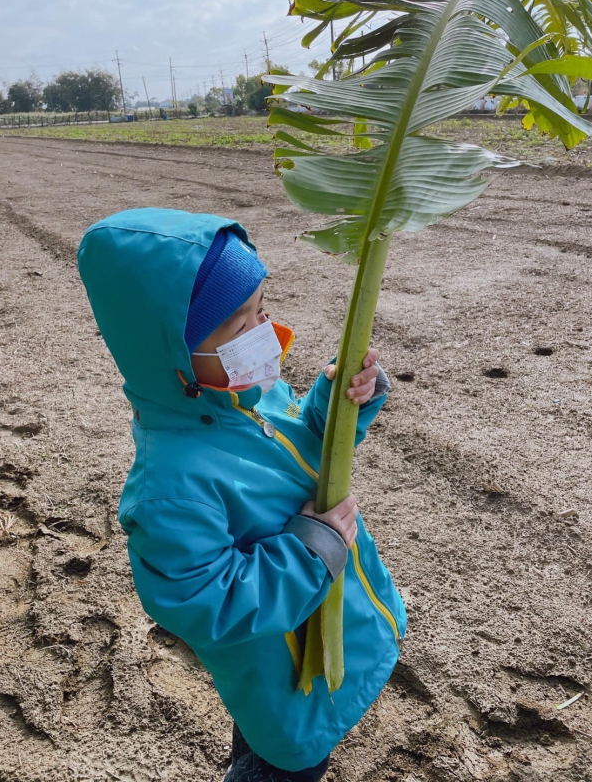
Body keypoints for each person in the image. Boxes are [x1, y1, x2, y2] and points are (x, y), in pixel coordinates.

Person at [78, 208, 407, 781]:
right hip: (281, 676)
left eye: (262, 309)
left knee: (259, 741)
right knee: (282, 762)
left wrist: (339, 404)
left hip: (333, 627)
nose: (263, 332)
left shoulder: (244, 395)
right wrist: (310, 553)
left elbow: (303, 447)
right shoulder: (169, 488)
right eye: (239, 325)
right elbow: (209, 601)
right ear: (172, 354)